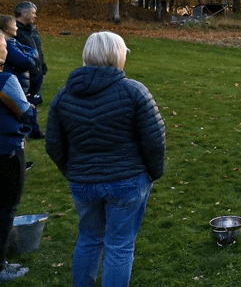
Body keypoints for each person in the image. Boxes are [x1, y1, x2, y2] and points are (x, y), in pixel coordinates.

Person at [46, 32, 166, 287]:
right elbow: (154, 140)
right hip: (125, 181)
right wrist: (154, 172)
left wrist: (74, 171)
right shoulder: (134, 91)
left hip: (87, 183)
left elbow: (54, 144)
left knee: (89, 239)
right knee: (119, 246)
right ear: (118, 55)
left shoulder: (64, 95)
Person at [0, 36, 35, 282]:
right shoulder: (5, 81)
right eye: (4, 45)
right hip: (6, 151)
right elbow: (23, 112)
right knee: (6, 207)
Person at [0, 15, 40, 139]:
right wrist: (27, 106)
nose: (6, 50)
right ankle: (33, 133)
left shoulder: (13, 42)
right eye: (4, 48)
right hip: (7, 145)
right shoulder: (6, 79)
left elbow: (31, 50)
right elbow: (26, 60)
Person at [14, 2, 45, 108]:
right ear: (24, 13)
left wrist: (42, 65)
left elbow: (38, 49)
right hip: (23, 75)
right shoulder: (14, 31)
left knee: (34, 104)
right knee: (22, 105)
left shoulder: (33, 30)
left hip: (37, 74)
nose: (35, 16)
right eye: (33, 13)